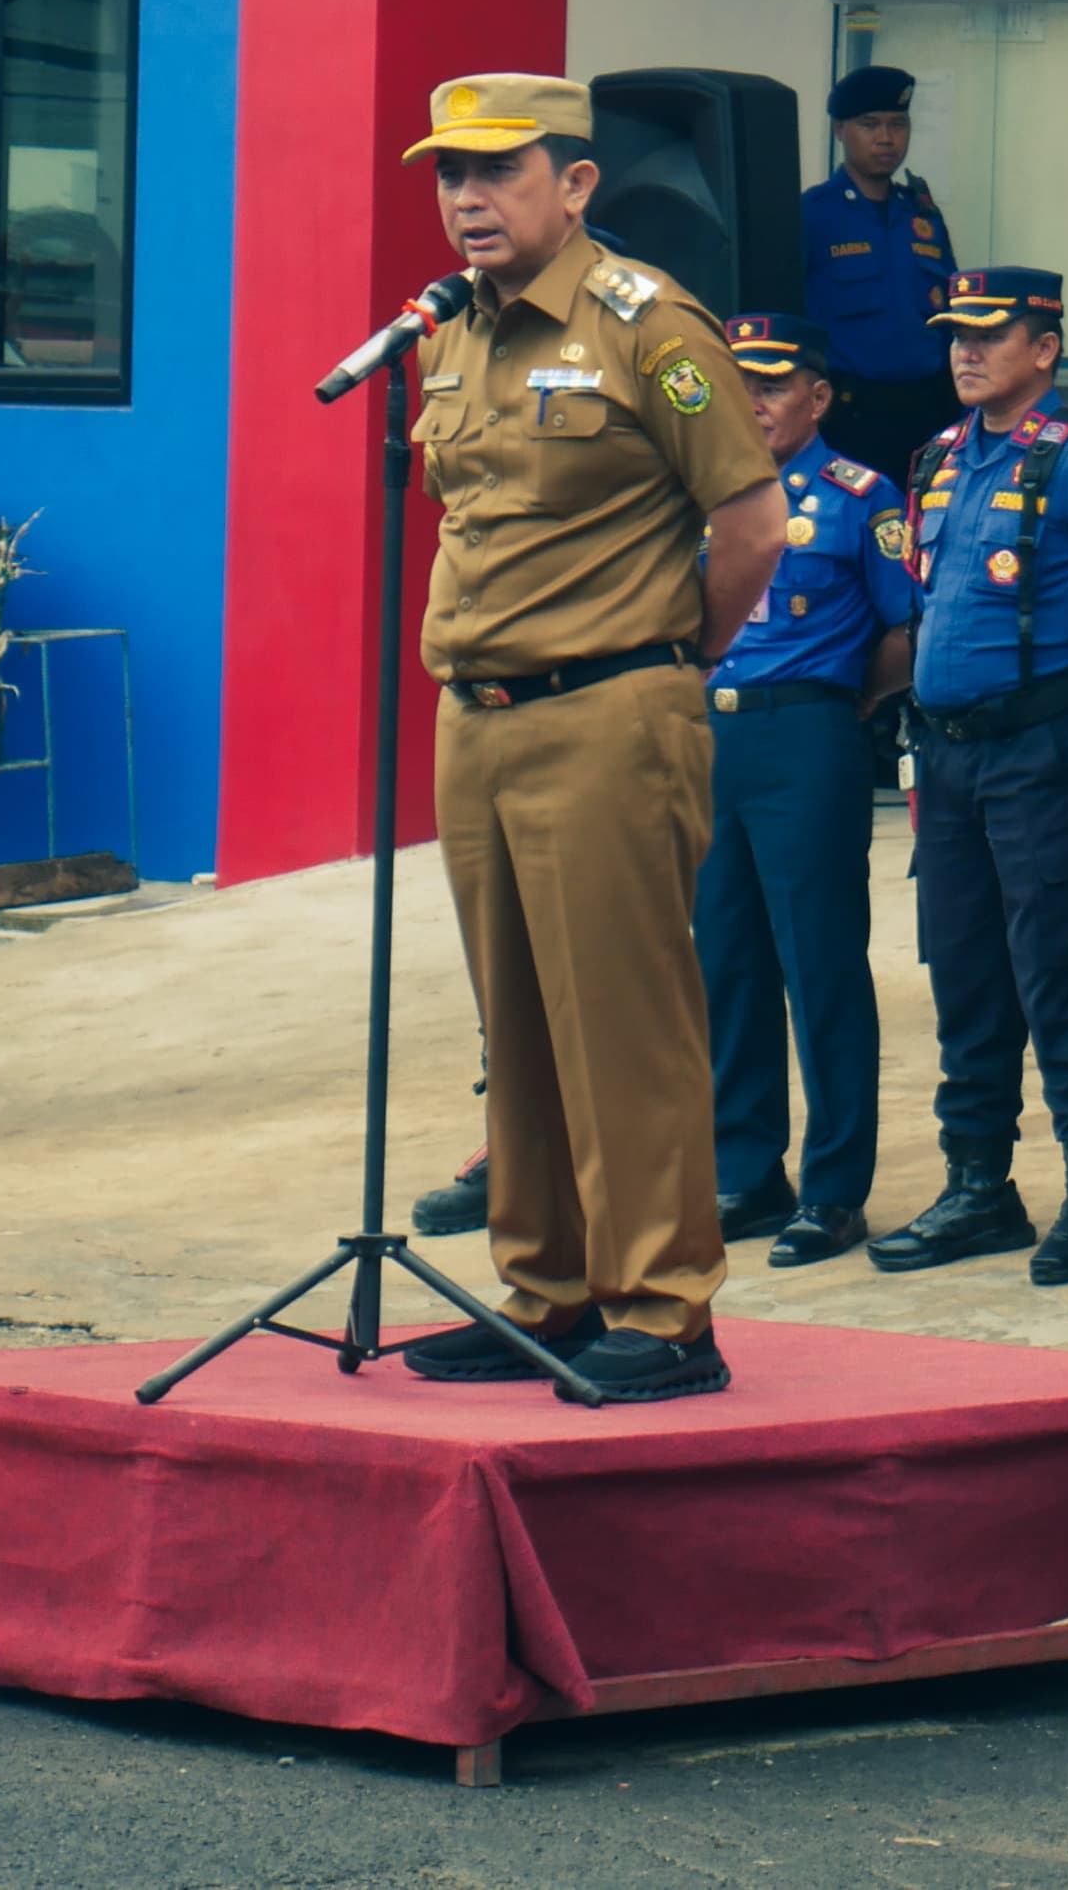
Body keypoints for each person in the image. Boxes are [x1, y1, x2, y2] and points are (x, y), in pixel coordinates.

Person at [392, 72, 783, 1406]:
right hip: (478, 716)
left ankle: (666, 1311)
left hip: (612, 710)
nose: (465, 199)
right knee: (523, 1025)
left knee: (624, 1021)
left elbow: (751, 522)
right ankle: (543, 1291)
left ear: (576, 184)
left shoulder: (647, 324)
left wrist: (665, 660)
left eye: (497, 172)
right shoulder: (448, 333)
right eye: (449, 174)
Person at [867, 269, 1068, 1284]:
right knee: (963, 973)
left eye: (988, 335)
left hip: (1045, 752)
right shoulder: (942, 459)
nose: (964, 351)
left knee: (1061, 976)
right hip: (949, 758)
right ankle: (978, 1188)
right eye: (955, 333)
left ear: (1043, 348)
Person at [692, 315, 919, 1270]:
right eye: (738, 383)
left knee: (818, 964)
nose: (751, 403)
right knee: (726, 963)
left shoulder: (861, 497)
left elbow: (904, 628)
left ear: (817, 398)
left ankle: (833, 1189)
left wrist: (845, 701)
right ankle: (745, 1169)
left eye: (773, 385)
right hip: (710, 738)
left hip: (808, 737)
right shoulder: (699, 493)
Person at [801, 63, 961, 483]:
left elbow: (952, 316)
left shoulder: (923, 216)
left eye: (898, 124)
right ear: (839, 129)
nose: (886, 138)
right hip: (849, 416)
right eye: (869, 125)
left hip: (931, 412)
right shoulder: (812, 215)